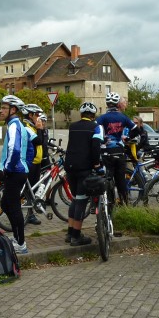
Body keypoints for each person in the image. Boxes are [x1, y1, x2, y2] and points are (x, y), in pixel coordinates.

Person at [64, 102, 103, 246]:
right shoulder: (96, 127)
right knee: (81, 201)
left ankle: (69, 233)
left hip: (70, 167)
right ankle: (76, 236)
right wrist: (97, 165)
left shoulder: (72, 126)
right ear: (93, 115)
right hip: (84, 168)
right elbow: (96, 147)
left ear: (81, 114)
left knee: (75, 199)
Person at [0, 95, 32, 254]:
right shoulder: (18, 125)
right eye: (1, 107)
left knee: (14, 207)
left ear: (13, 110)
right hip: (18, 171)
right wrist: (26, 165)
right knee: (5, 205)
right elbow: (30, 148)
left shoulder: (14, 126)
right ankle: (17, 238)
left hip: (14, 172)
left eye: (4, 108)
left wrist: (7, 168)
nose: (1, 110)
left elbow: (15, 149)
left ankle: (21, 243)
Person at [95, 91, 136, 205]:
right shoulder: (123, 117)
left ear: (107, 104)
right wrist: (127, 138)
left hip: (107, 152)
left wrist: (103, 140)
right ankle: (124, 204)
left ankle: (110, 203)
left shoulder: (102, 118)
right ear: (118, 104)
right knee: (121, 180)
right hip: (119, 151)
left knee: (108, 178)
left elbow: (94, 131)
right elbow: (137, 130)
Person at [21, 103, 44, 225]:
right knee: (28, 191)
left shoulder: (32, 127)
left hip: (37, 162)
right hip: (30, 163)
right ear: (30, 115)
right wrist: (40, 129)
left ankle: (30, 214)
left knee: (32, 190)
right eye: (36, 115)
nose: (38, 117)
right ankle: (28, 215)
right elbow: (38, 141)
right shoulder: (27, 128)